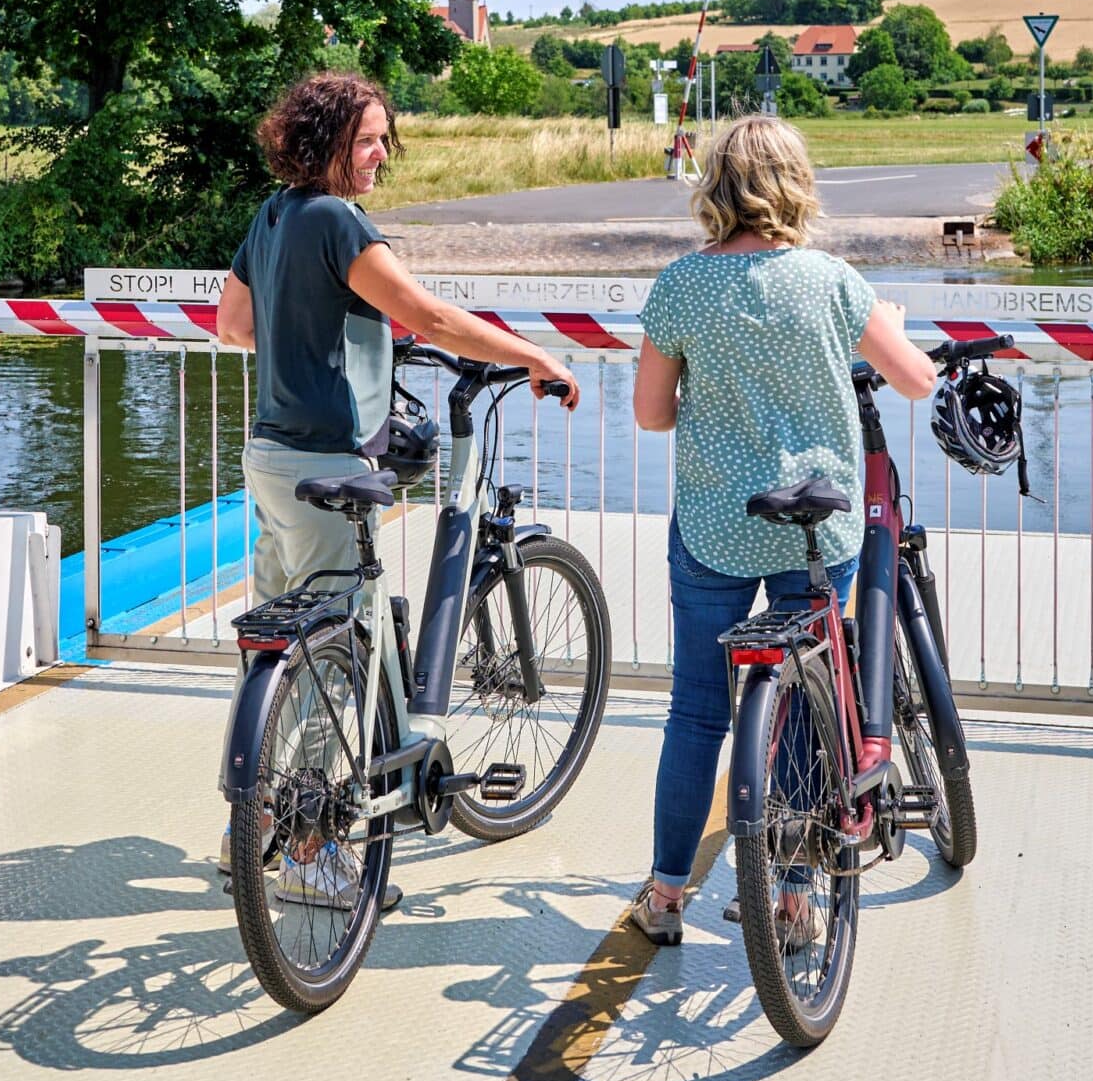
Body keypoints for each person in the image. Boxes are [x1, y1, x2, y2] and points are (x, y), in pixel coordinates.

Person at [622, 115, 935, 945]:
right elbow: (916, 380)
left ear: (714, 187)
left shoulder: (682, 286)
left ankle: (665, 894)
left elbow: (651, 414)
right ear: (795, 186)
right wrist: (892, 323)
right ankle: (795, 899)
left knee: (697, 713)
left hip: (715, 523)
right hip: (815, 530)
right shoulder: (830, 281)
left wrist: (714, 405)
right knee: (801, 706)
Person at [215, 72, 576, 603]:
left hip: (269, 455)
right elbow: (432, 320)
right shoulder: (337, 220)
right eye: (365, 140)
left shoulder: (275, 211)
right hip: (328, 455)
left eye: (382, 138)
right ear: (322, 142)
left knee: (283, 628)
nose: (381, 153)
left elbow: (233, 326)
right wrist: (535, 356)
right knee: (341, 628)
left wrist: (307, 346)